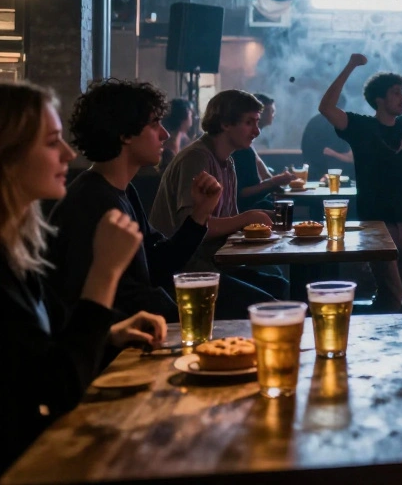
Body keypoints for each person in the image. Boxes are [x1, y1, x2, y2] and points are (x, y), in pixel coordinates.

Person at [0, 82, 165, 472]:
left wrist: (110, 335)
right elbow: (57, 388)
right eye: (52, 142)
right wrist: (104, 273)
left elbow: (39, 354)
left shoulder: (15, 249)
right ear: (8, 156)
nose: (69, 154)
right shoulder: (89, 202)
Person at [47, 80, 223, 322]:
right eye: (154, 124)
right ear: (125, 134)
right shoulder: (92, 202)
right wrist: (182, 318)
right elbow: (114, 299)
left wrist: (200, 214)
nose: (165, 134)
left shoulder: (123, 190)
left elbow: (158, 265)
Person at [321, 53, 402, 318]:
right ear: (379, 99)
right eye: (396, 93)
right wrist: (349, 66)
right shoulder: (360, 126)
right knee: (391, 293)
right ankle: (379, 344)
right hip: (375, 224)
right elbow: (326, 107)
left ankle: (401, 337)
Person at [150, 89, 284, 313]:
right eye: (249, 123)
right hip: (184, 269)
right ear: (225, 124)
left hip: (214, 261)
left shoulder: (227, 162)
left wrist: (263, 224)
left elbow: (227, 223)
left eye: (257, 122)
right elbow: (192, 226)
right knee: (271, 306)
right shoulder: (196, 158)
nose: (257, 131)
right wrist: (248, 218)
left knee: (279, 284)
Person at [233, 93, 292, 213]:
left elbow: (262, 168)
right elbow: (240, 194)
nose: (257, 131)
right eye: (249, 122)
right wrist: (274, 182)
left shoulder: (247, 146)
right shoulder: (240, 149)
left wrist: (275, 181)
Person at [301, 92, 352, 176]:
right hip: (338, 177)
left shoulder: (313, 122)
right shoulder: (341, 123)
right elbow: (350, 156)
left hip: (312, 174)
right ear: (342, 107)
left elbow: (306, 150)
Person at [159, 98, 193, 172]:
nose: (192, 118)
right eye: (190, 115)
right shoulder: (168, 150)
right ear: (184, 118)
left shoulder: (182, 141)